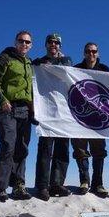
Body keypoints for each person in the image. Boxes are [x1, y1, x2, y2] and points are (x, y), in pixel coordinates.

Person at [0, 30, 35, 202]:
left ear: (31, 45)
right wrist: (2, 100)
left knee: (22, 148)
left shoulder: (29, 63)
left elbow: (32, 88)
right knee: (8, 146)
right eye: (21, 41)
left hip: (25, 110)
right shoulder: (4, 58)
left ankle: (18, 186)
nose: (24, 44)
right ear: (15, 42)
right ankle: (0, 187)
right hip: (7, 108)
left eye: (27, 42)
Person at [32, 33, 72, 201]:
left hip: (64, 112)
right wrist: (35, 109)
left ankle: (57, 183)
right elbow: (33, 84)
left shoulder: (66, 62)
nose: (53, 45)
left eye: (56, 43)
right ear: (46, 45)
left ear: (60, 45)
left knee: (62, 150)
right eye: (50, 42)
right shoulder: (38, 63)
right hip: (47, 112)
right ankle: (42, 185)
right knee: (45, 150)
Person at [71, 43, 109, 198]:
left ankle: (98, 183)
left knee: (99, 151)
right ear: (84, 53)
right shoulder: (75, 70)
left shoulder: (105, 70)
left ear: (98, 53)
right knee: (80, 150)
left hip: (99, 118)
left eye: (94, 51)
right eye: (88, 51)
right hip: (79, 117)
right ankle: (84, 181)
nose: (91, 54)